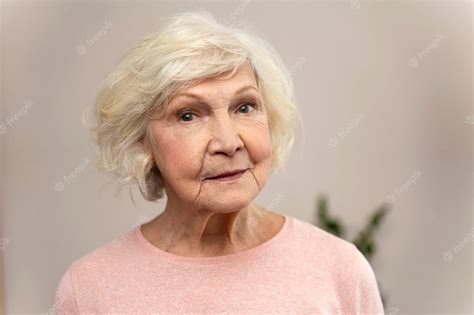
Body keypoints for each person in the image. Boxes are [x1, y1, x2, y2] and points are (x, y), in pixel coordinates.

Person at [53, 10, 384, 314]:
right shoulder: (89, 289)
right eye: (187, 116)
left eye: (244, 107)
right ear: (143, 142)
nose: (228, 143)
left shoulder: (340, 270)